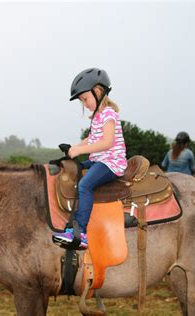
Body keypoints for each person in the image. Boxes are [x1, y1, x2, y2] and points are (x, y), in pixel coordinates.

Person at [52, 68, 128, 249]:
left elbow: (107, 142)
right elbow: (91, 138)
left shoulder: (109, 114)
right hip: (99, 159)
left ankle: (80, 233)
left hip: (111, 162)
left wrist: (80, 151)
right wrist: (74, 148)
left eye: (85, 99)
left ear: (99, 91)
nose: (84, 104)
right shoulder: (97, 116)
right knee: (73, 169)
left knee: (85, 184)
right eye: (81, 101)